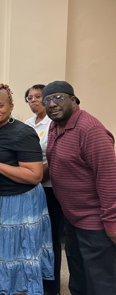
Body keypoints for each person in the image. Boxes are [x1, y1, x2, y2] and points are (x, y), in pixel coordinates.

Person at [0, 83, 54, 295]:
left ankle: (20, 289)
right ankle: (2, 285)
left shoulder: (23, 132)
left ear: (11, 106)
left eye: (0, 105)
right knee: (1, 250)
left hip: (20, 202)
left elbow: (35, 175)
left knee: (20, 251)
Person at [43, 81, 116, 295]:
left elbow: (108, 177)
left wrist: (111, 221)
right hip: (72, 216)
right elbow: (56, 162)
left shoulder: (91, 130)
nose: (52, 104)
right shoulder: (54, 126)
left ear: (74, 100)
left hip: (95, 221)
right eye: (47, 100)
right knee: (78, 273)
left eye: (58, 98)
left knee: (101, 278)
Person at [24, 84, 64, 295]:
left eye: (38, 96)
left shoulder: (54, 123)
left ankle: (52, 286)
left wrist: (36, 177)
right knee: (34, 237)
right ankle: (34, 280)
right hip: (30, 187)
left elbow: (53, 158)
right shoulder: (27, 124)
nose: (33, 100)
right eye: (29, 98)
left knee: (52, 238)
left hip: (48, 187)